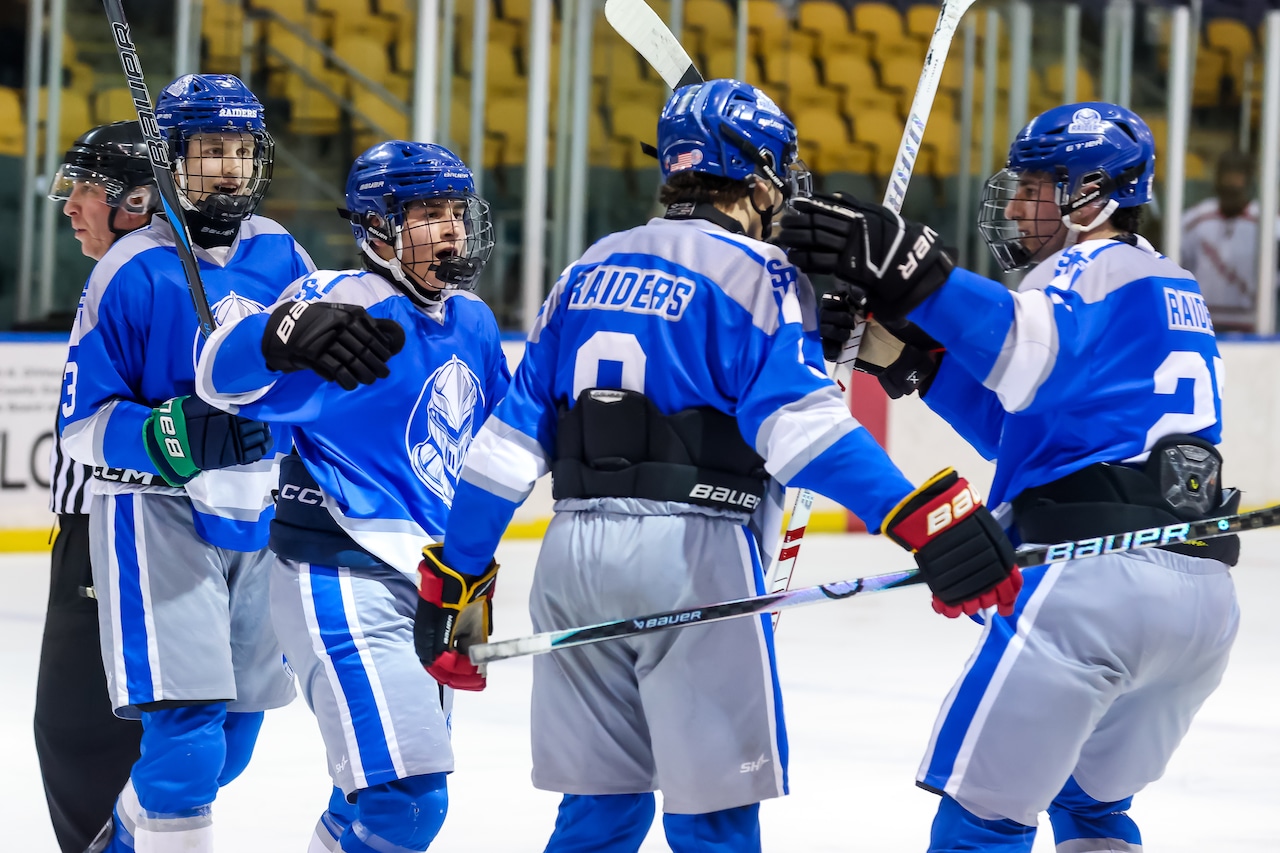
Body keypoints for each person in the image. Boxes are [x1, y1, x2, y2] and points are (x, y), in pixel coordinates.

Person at [412, 78, 1021, 853]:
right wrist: (924, 522)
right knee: (715, 823)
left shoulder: (584, 270)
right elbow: (801, 431)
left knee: (598, 814)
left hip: (570, 560)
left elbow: (503, 450)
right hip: (693, 556)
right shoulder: (761, 276)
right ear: (759, 175)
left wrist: (456, 574)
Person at [780, 102, 1240, 852]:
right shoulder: (1170, 285)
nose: (1020, 204)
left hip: (1093, 586)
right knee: (1090, 808)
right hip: (1200, 602)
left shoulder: (1091, 264)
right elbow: (1024, 423)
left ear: (1093, 194)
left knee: (983, 821)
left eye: (1038, 186)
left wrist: (909, 268)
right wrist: (909, 361)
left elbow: (1022, 357)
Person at [194, 140, 508, 853]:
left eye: (456, 210)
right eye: (429, 213)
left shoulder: (476, 322)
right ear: (376, 227)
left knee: (366, 793)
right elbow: (216, 378)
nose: (452, 228)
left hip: (440, 586)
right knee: (406, 799)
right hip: (341, 576)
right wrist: (277, 336)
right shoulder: (336, 299)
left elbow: (505, 443)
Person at [58, 74, 313, 853]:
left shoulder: (283, 253)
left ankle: (123, 839)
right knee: (188, 741)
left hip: (258, 521)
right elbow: (80, 427)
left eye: (241, 150)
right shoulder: (129, 268)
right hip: (157, 518)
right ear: (172, 158)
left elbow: (313, 382)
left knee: (230, 745)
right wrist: (179, 433)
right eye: (210, 151)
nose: (230, 169)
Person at [34, 120, 155, 853]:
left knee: (81, 731)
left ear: (135, 199)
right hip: (93, 534)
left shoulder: (143, 275)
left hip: (119, 534)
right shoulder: (127, 274)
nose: (70, 204)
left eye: (85, 188)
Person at [1180, 149, 1279, 332]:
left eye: (1237, 177)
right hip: (1201, 322)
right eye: (1227, 176)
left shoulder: (1267, 225)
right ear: (1217, 180)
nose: (1231, 182)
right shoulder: (1194, 220)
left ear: (1249, 181)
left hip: (1254, 326)